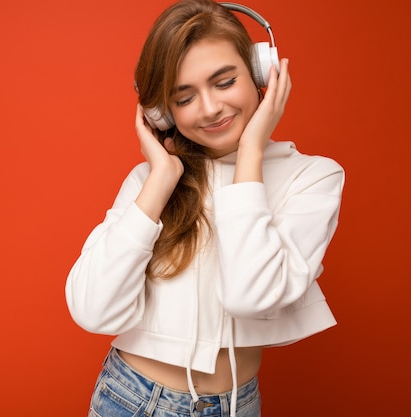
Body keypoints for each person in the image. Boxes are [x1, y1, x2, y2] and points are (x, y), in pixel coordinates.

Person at [65, 0, 344, 416]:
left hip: (237, 405)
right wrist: (161, 178)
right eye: (184, 97)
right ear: (162, 114)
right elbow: (92, 310)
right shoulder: (151, 182)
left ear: (260, 73)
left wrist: (250, 151)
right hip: (131, 399)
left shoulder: (315, 178)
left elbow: (252, 297)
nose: (210, 108)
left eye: (225, 81)